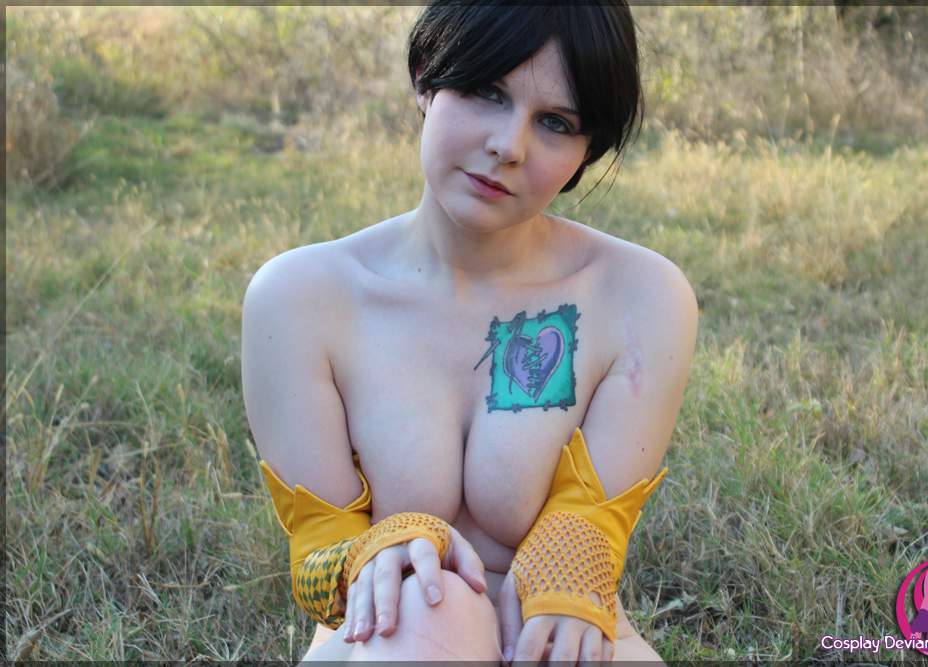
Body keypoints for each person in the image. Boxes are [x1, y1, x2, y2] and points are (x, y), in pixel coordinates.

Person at [241, 2, 698, 663]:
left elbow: (593, 521)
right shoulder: (299, 297)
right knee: (429, 617)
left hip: (562, 631)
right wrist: (379, 551)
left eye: (556, 123)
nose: (509, 147)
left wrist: (570, 563)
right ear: (425, 79)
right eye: (487, 91)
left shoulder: (639, 296)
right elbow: (319, 557)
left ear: (585, 150)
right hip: (382, 638)